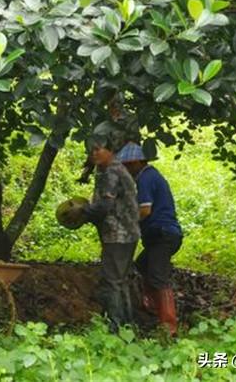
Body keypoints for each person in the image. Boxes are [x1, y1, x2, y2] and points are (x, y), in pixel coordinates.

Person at [117, 142, 182, 336]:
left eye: (127, 165)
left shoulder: (145, 177)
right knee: (143, 264)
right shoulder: (149, 175)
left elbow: (145, 210)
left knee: (158, 277)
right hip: (162, 234)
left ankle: (168, 327)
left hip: (163, 234)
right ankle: (153, 308)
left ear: (137, 162)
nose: (126, 169)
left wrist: (125, 220)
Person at [79, 138, 140, 333]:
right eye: (92, 150)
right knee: (120, 281)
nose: (94, 153)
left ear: (111, 151)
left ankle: (116, 328)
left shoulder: (111, 172)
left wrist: (83, 212)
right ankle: (128, 326)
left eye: (99, 149)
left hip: (118, 233)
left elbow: (105, 205)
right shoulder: (118, 169)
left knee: (112, 281)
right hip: (128, 233)